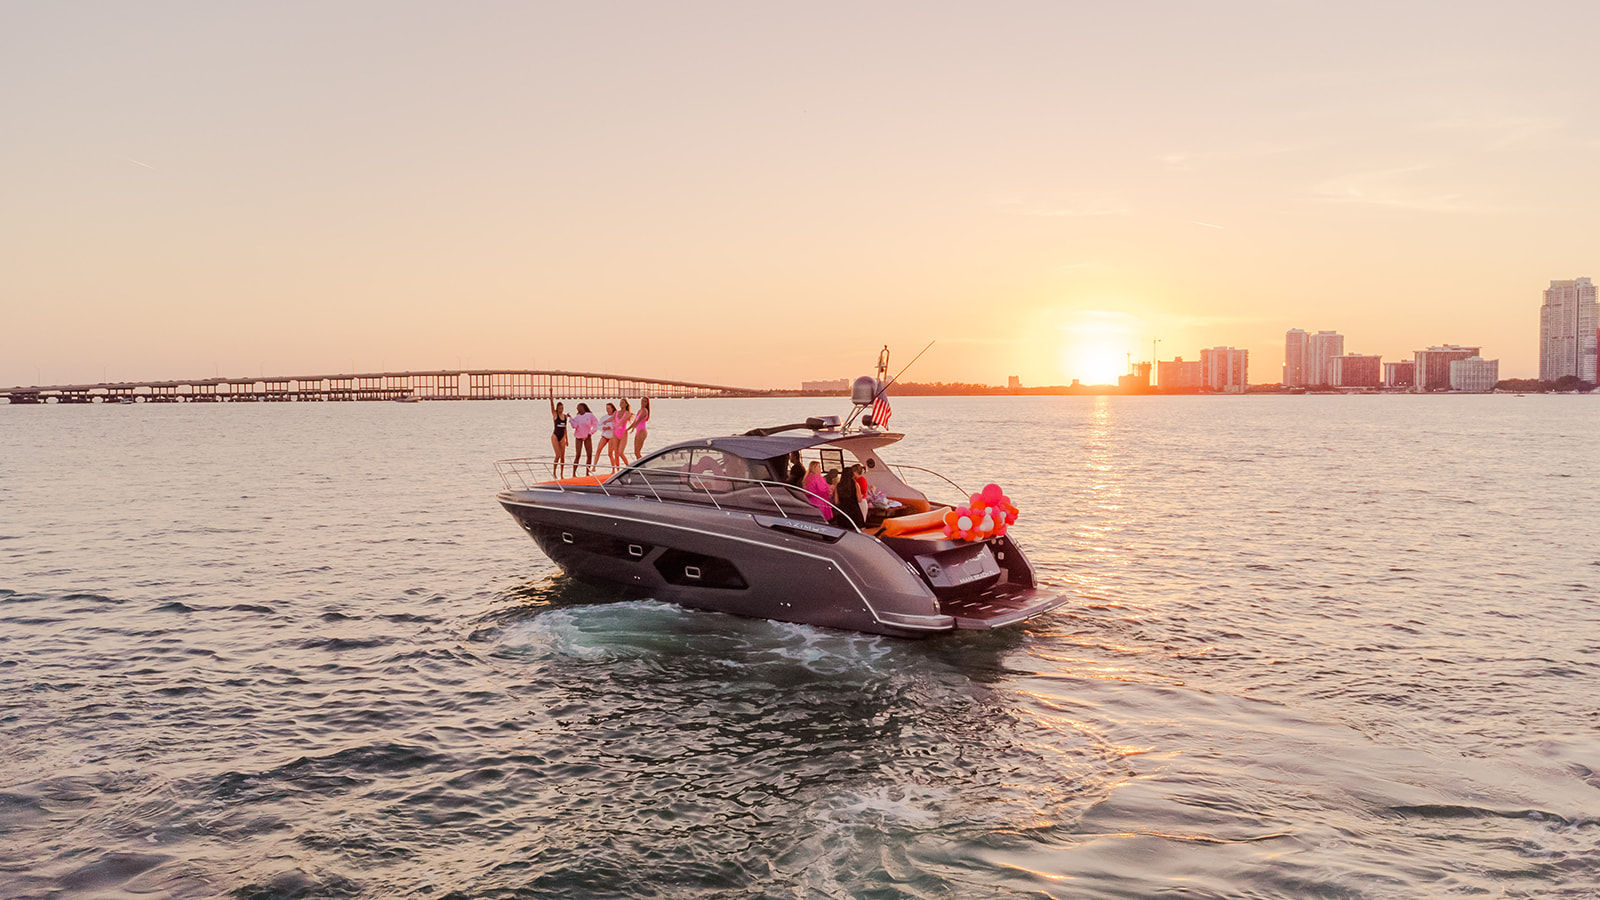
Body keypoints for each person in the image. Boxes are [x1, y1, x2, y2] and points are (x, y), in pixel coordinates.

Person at [569, 403, 599, 472]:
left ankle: (587, 472)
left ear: (583, 407)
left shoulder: (590, 415)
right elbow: (574, 426)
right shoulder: (577, 417)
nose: (577, 409)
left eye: (579, 407)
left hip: (587, 436)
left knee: (589, 455)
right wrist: (570, 418)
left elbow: (595, 424)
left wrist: (591, 432)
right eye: (577, 408)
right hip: (578, 437)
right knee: (578, 455)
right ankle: (574, 473)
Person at [549, 397, 569, 476]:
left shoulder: (565, 416)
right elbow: (551, 406)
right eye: (560, 408)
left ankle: (561, 474)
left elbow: (565, 428)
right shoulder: (555, 414)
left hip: (562, 436)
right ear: (557, 408)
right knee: (558, 455)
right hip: (555, 436)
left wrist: (567, 439)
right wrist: (551, 397)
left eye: (562, 408)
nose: (561, 409)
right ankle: (554, 472)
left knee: (563, 456)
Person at [612, 399, 632, 468]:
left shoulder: (627, 413)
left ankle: (628, 467)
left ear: (626, 404)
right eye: (620, 403)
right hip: (615, 433)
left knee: (620, 452)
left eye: (623, 403)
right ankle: (617, 470)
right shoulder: (616, 412)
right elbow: (611, 419)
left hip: (623, 433)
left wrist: (617, 425)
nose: (621, 404)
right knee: (616, 453)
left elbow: (623, 421)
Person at [598, 403, 617, 469]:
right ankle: (594, 467)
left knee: (610, 453)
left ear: (612, 408)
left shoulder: (615, 416)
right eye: (606, 408)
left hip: (612, 436)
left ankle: (614, 469)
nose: (607, 410)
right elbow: (599, 425)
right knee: (599, 449)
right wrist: (603, 428)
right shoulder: (604, 417)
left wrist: (610, 427)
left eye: (609, 408)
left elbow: (616, 425)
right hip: (605, 435)